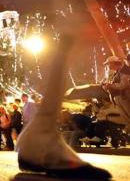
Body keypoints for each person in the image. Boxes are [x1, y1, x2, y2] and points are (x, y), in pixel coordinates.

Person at [16, 36, 111, 179]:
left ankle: (41, 139)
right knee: (69, 34)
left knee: (68, 41)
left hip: (37, 138)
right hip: (39, 140)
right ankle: (42, 141)